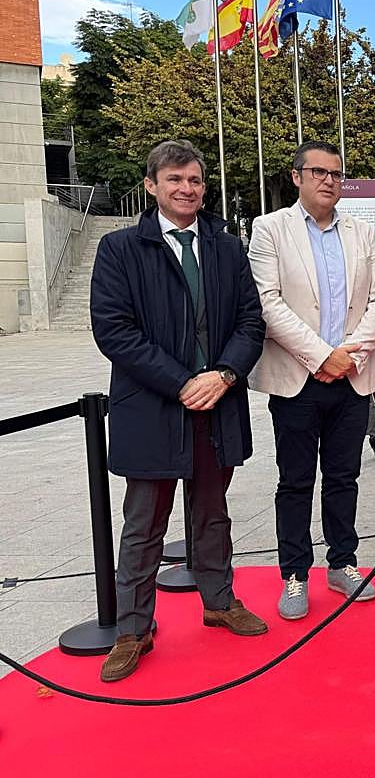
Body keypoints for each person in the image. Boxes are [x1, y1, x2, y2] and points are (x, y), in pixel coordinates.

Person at [90, 140, 268, 682]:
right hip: (153, 409)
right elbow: (114, 331)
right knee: (144, 524)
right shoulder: (121, 249)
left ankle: (219, 601)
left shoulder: (226, 247)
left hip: (218, 403)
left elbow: (250, 322)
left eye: (194, 180)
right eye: (174, 180)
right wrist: (183, 382)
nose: (186, 189)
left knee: (212, 514)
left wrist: (224, 375)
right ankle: (132, 629)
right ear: (152, 186)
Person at [248, 140, 375, 620]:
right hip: (299, 378)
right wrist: (320, 356)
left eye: (336, 173)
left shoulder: (362, 233)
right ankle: (294, 572)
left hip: (351, 377)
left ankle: (343, 562)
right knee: (294, 481)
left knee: (343, 477)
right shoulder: (270, 229)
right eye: (318, 172)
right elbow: (267, 303)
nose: (329, 180)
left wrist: (349, 355)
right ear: (297, 177)